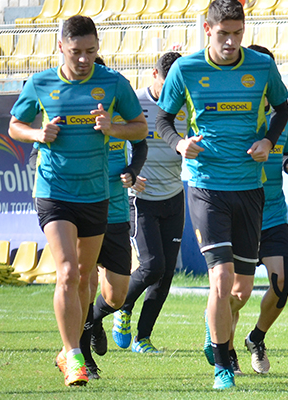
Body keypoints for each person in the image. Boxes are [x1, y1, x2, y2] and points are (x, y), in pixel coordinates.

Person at [155, 0, 288, 389]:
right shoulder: (186, 69)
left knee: (241, 289)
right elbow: (164, 118)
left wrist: (268, 139)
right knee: (221, 278)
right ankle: (222, 366)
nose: (231, 42)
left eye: (237, 34)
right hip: (205, 185)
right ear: (207, 29)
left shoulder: (262, 66)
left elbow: (282, 110)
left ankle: (212, 329)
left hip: (250, 188)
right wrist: (179, 144)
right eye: (223, 34)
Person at [8, 15, 147, 387]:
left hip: (95, 195)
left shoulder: (114, 83)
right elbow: (14, 126)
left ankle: (68, 348)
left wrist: (112, 127)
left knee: (86, 278)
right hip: (54, 192)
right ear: (60, 49)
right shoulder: (41, 83)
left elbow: (140, 127)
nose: (84, 59)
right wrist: (39, 132)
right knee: (68, 271)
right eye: (76, 52)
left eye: (91, 51)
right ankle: (73, 355)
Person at [229, 44, 288, 375]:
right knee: (234, 293)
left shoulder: (283, 118)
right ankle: (225, 350)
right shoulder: (234, 115)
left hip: (272, 214)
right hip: (238, 213)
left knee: (282, 283)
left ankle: (256, 337)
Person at [78, 56, 149, 379]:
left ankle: (93, 319)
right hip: (80, 206)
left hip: (117, 210)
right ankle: (81, 356)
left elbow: (141, 144)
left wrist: (132, 172)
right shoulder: (71, 114)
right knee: (84, 282)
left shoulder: (122, 112)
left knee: (116, 295)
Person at [113, 52, 187, 357]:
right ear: (153, 74)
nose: (174, 91)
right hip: (141, 199)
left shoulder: (186, 106)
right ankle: (122, 306)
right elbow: (114, 146)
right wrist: (129, 173)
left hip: (174, 195)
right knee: (152, 265)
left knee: (166, 272)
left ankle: (142, 338)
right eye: (169, 84)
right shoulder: (134, 103)